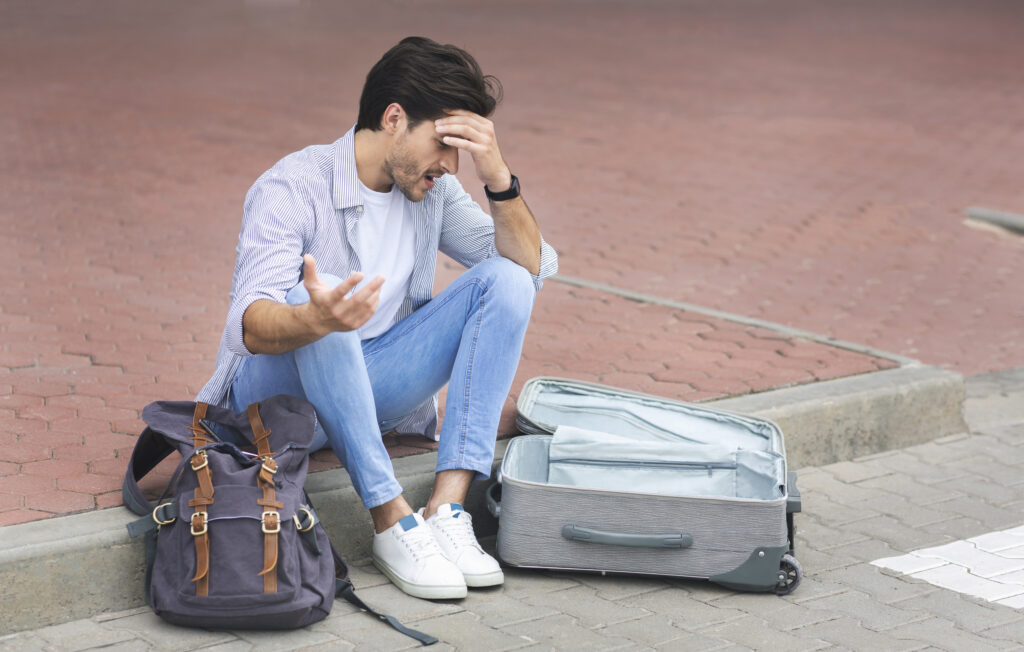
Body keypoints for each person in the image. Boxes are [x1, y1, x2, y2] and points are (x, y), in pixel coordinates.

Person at [197, 36, 558, 600]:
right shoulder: (294, 186)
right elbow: (248, 324)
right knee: (306, 302)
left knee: (507, 279)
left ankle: (447, 507)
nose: (451, 164)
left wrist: (499, 178)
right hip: (273, 403)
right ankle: (391, 521)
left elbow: (534, 267)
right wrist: (317, 319)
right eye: (444, 143)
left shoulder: (434, 191)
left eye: (464, 149)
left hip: (367, 388)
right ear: (394, 118)